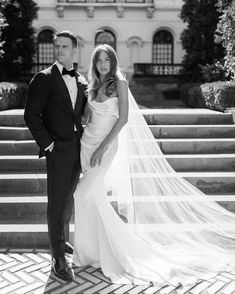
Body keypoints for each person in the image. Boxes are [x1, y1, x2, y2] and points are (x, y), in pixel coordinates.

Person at [72, 43, 235, 287]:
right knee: (92, 198)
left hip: (105, 147)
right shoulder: (92, 87)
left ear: (113, 62)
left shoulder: (120, 84)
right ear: (94, 63)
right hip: (87, 143)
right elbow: (86, 118)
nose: (103, 64)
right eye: (99, 60)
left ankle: (115, 250)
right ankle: (89, 253)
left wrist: (104, 147)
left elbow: (123, 119)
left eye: (106, 60)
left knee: (82, 193)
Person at [24, 30, 87, 281]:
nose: (60, 50)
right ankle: (57, 255)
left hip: (78, 148)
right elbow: (31, 115)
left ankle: (61, 240)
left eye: (65, 46)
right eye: (57, 46)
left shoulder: (81, 80)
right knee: (57, 201)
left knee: (69, 198)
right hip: (58, 149)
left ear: (74, 50)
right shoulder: (43, 78)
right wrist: (48, 143)